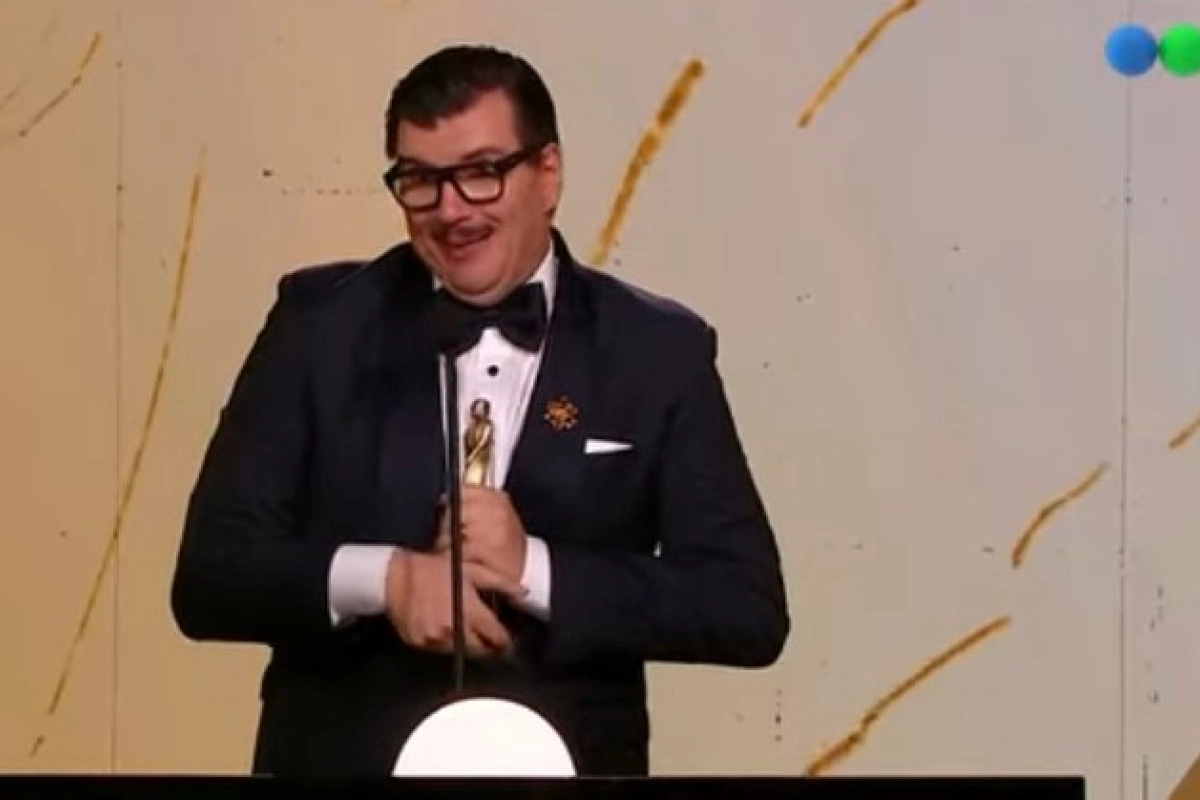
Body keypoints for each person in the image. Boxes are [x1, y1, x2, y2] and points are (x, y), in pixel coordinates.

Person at [170, 43, 790, 777]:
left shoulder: (657, 351)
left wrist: (536, 569)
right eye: (420, 180)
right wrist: (386, 579)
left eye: (481, 171)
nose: (451, 209)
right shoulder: (319, 325)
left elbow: (744, 607)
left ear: (548, 174)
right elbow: (210, 577)